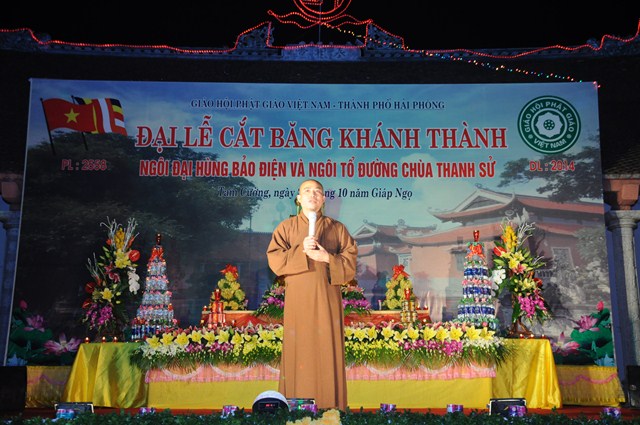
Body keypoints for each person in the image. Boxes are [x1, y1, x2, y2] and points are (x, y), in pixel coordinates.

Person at [266, 179, 358, 411]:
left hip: (327, 298)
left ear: (323, 199)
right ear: (298, 199)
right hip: (298, 299)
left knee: (327, 346)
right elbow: (275, 260)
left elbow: (350, 264)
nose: (312, 194)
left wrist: (327, 258)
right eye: (307, 191)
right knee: (300, 348)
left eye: (318, 191)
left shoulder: (337, 228)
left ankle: (330, 407)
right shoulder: (286, 227)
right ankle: (295, 407)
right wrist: (301, 250)